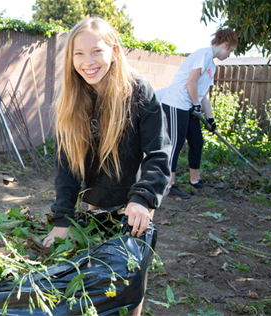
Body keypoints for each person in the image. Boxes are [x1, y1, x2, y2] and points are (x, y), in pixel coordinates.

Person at [42, 17, 171, 316]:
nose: (88, 61)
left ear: (114, 50)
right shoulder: (72, 100)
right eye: (79, 53)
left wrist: (143, 200)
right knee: (96, 284)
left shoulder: (139, 92)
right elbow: (67, 166)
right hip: (94, 208)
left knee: (130, 281)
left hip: (133, 209)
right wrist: (63, 218)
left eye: (96, 51)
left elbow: (158, 154)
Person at [160, 28, 238, 199]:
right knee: (175, 144)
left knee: (197, 142)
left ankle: (194, 182)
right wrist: (195, 105)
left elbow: (204, 94)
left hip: (189, 106)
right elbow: (191, 82)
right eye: (230, 50)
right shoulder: (204, 54)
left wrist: (210, 117)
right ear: (225, 44)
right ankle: (169, 185)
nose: (229, 54)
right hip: (176, 102)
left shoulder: (212, 65)